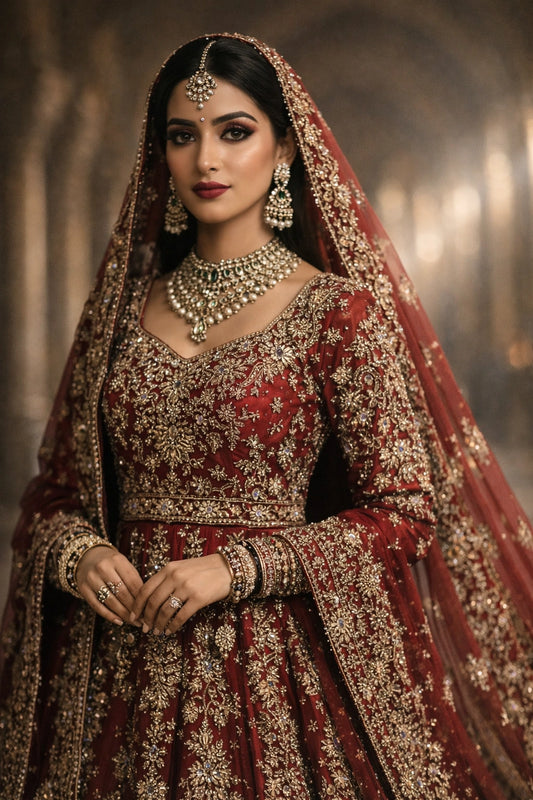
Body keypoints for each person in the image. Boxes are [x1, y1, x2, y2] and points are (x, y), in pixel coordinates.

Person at [0, 33, 532, 800]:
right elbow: (54, 492)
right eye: (182, 136)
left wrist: (237, 567)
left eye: (235, 132)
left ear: (284, 150)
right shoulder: (116, 314)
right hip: (116, 666)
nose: (206, 160)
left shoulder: (338, 313)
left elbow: (404, 511)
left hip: (269, 667)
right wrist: (78, 551)